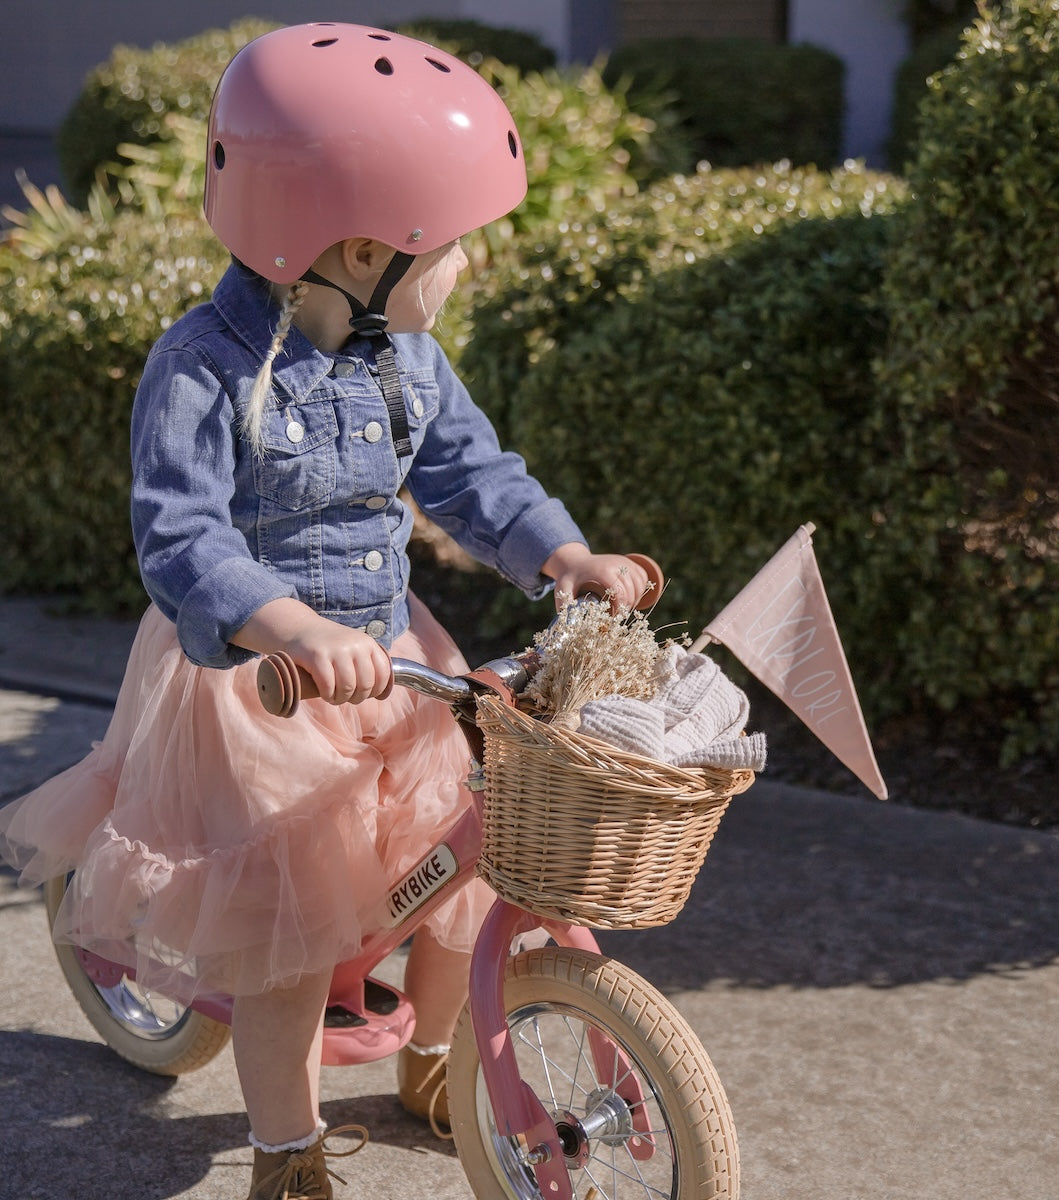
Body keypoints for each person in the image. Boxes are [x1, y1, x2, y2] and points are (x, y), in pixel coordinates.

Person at [0, 22, 651, 1200]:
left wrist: (562, 554)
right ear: (361, 249)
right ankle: (287, 1150)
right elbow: (182, 538)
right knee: (289, 938)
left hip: (391, 653)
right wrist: (287, 626)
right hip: (260, 683)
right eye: (451, 248)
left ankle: (444, 1062)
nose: (467, 270)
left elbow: (471, 475)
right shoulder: (201, 369)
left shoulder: (408, 352)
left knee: (468, 857)